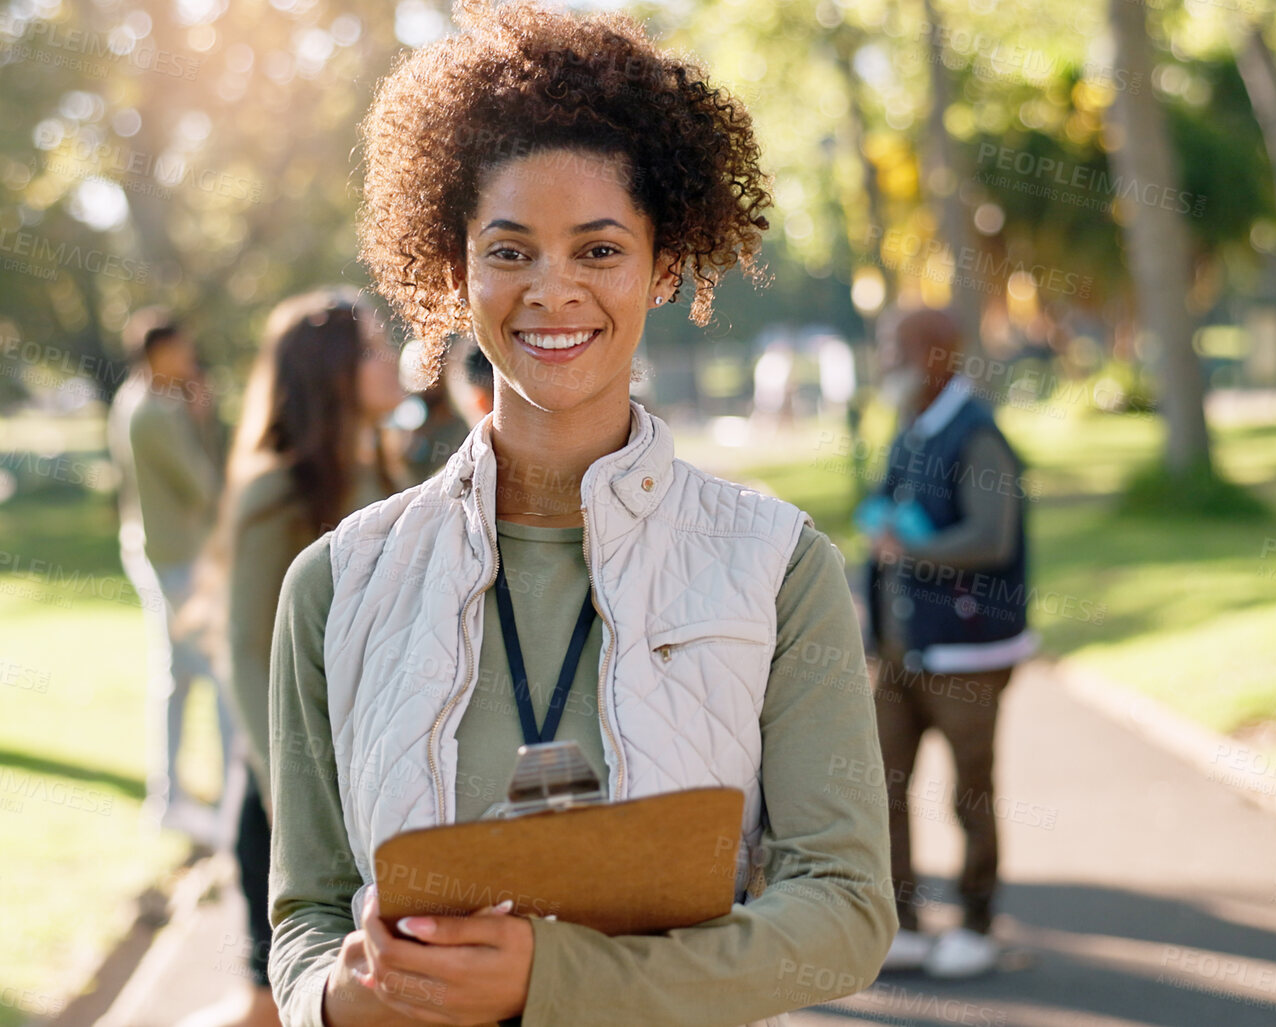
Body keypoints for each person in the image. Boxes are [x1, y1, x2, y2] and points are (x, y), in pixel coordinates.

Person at [265, 5, 897, 1025]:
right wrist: (339, 999)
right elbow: (303, 916)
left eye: (598, 251)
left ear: (662, 266)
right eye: (510, 251)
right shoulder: (336, 584)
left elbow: (846, 910)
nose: (551, 292)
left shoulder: (779, 568)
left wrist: (553, 982)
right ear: (455, 267)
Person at [193, 288, 405, 1027]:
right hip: (289, 800)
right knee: (268, 1007)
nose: (393, 361)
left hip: (370, 790)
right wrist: (289, 787)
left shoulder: (390, 476)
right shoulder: (278, 494)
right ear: (332, 373)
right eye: (375, 348)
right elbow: (243, 650)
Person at [860, 307, 1037, 979]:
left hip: (964, 655)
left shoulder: (977, 435)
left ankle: (975, 921)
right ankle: (901, 922)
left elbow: (992, 538)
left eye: (894, 346)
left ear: (935, 354)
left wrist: (910, 547)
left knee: (969, 792)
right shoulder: (909, 426)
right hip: (902, 652)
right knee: (880, 784)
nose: (884, 359)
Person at [105, 317, 230, 844]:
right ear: (157, 353)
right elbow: (202, 486)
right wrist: (201, 419)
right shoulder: (157, 412)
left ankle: (172, 798)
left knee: (177, 678)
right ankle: (226, 802)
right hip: (177, 557)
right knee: (220, 678)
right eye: (180, 351)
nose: (189, 360)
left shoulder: (132, 401)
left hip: (159, 551)